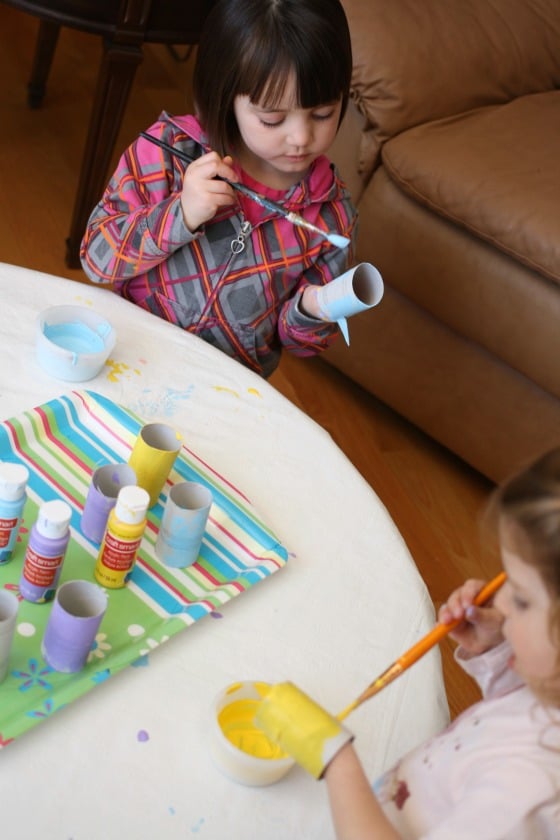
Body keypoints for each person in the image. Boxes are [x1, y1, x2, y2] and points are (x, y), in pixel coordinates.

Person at [256, 448, 560, 838]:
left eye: (521, 598)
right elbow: (516, 707)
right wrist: (494, 649)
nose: (498, 602)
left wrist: (336, 760)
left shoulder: (526, 796)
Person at [80, 0, 357, 379]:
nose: (301, 137)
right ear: (226, 96)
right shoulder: (171, 152)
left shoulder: (330, 216)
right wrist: (181, 214)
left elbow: (302, 344)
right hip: (122, 354)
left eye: (322, 113)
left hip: (221, 387)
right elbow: (97, 258)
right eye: (271, 119)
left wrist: (312, 311)